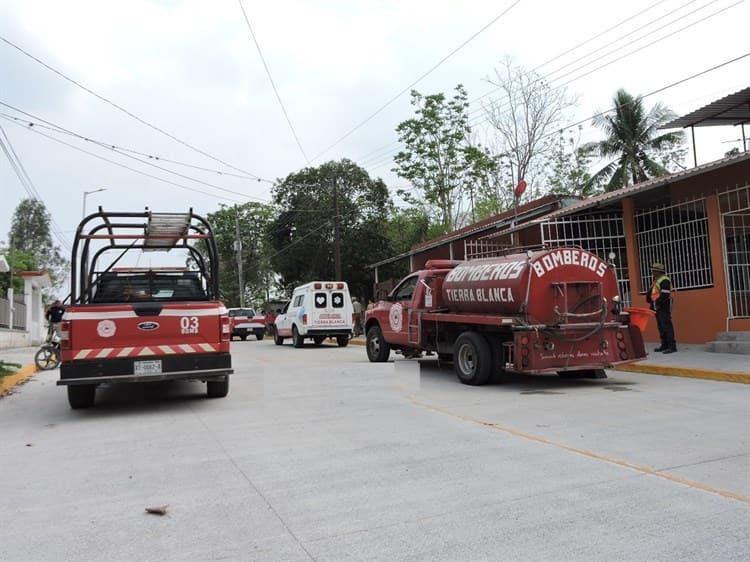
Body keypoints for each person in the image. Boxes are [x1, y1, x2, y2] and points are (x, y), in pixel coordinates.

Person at [645, 262, 676, 353]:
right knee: (661, 326)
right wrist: (652, 303)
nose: (652, 272)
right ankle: (664, 345)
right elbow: (653, 293)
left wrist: (657, 304)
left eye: (654, 271)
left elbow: (665, 295)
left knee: (666, 325)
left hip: (664, 305)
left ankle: (671, 346)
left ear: (659, 271)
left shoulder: (664, 280)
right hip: (657, 306)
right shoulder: (656, 280)